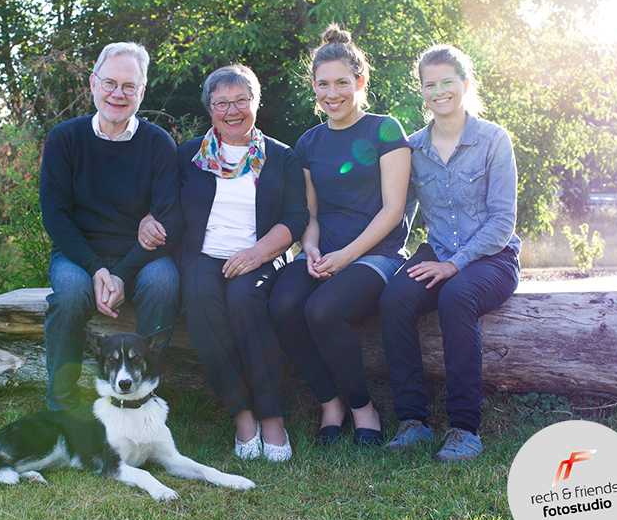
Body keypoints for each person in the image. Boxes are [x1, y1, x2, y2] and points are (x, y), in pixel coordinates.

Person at [143, 64, 307, 461]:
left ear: (256, 103)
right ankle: (243, 414)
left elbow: (296, 218)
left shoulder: (282, 157)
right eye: (221, 103)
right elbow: (161, 203)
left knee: (246, 303)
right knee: (199, 301)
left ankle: (272, 417)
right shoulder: (188, 156)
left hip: (259, 255)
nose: (232, 111)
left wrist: (257, 253)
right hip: (202, 255)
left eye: (241, 101)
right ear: (209, 108)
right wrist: (149, 218)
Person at [268, 25, 412, 448]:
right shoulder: (308, 142)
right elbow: (310, 214)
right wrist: (309, 248)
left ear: (360, 82)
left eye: (342, 83)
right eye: (323, 85)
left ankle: (363, 406)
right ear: (313, 86)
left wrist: (346, 256)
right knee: (282, 304)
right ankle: (329, 402)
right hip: (322, 251)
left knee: (323, 310)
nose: (333, 94)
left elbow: (393, 211)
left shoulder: (386, 130)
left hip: (375, 256)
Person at [379, 44, 521, 462]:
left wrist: (453, 266)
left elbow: (502, 223)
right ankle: (414, 422)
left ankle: (464, 429)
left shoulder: (494, 139)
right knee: (394, 298)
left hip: (493, 256)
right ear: (421, 90)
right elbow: (397, 212)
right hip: (437, 249)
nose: (438, 91)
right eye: (429, 84)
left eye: (447, 82)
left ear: (465, 84)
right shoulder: (413, 148)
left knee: (456, 296)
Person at [39, 42, 182, 411]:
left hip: (142, 258)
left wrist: (119, 273)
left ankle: (144, 398)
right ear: (93, 83)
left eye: (129, 86)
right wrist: (97, 269)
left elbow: (170, 219)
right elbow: (56, 216)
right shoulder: (64, 139)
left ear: (142, 91)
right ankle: (63, 409)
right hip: (78, 255)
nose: (118, 94)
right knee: (69, 296)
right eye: (110, 83)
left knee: (165, 283)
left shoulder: (158, 143)